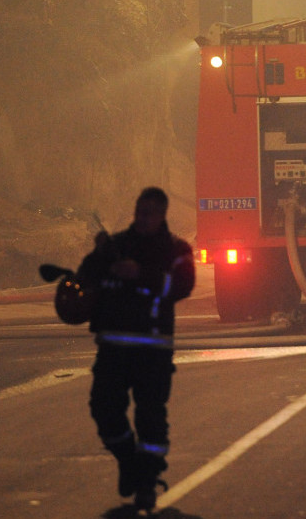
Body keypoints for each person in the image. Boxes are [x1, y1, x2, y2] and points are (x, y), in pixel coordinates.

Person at [75, 186, 196, 512]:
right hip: (112, 347)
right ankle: (128, 461)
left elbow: (183, 285)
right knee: (104, 408)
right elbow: (84, 278)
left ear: (161, 216)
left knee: (151, 417)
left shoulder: (176, 250)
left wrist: (141, 274)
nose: (142, 219)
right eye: (139, 212)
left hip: (152, 349)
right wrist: (100, 255)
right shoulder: (116, 245)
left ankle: (147, 479)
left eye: (149, 214)